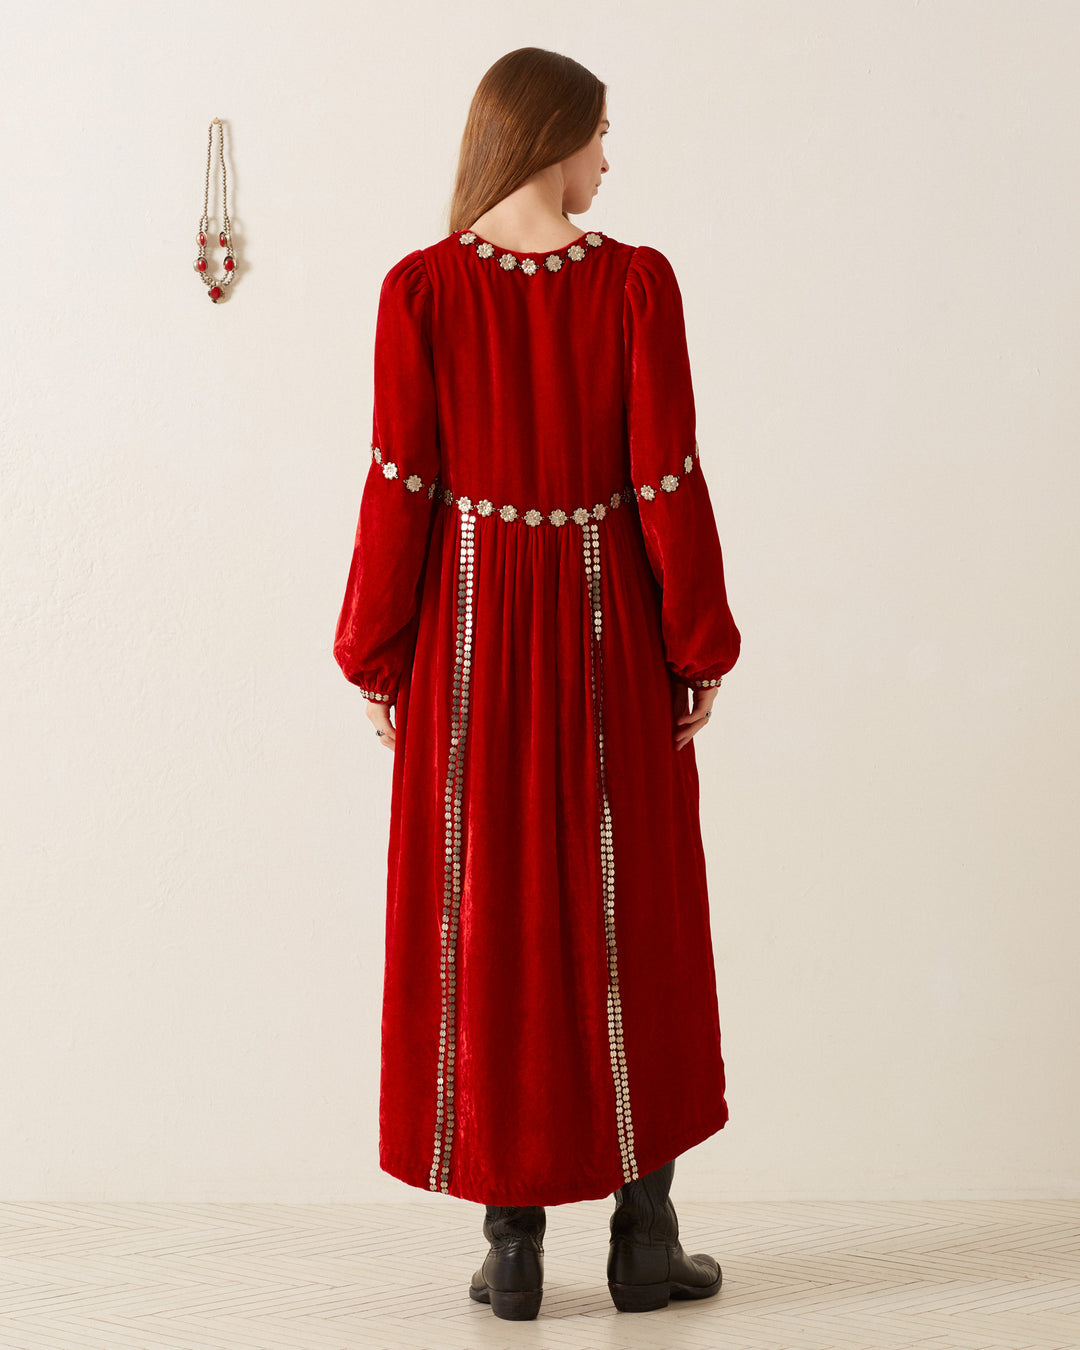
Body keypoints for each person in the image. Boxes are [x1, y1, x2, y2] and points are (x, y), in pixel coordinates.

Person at [332, 47, 742, 1321]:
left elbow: (399, 486)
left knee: (486, 918)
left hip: (467, 650)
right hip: (606, 629)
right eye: (602, 135)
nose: (609, 161)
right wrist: (698, 642)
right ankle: (643, 1240)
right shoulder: (633, 284)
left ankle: (514, 1250)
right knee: (636, 917)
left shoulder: (421, 291)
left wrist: (379, 652)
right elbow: (665, 474)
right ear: (553, 134)